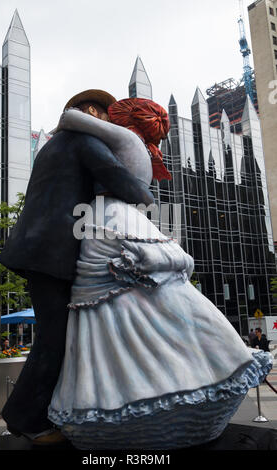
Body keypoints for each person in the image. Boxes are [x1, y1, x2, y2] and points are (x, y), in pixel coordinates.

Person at [47, 98, 273, 450]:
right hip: (115, 220)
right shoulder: (133, 145)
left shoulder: (124, 140)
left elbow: (69, 118)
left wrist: (74, 123)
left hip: (111, 218)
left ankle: (128, 401)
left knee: (118, 310)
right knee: (147, 305)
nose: (104, 116)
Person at [0, 89, 155, 445]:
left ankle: (53, 412)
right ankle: (26, 417)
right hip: (51, 253)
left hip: (42, 250)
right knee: (55, 339)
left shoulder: (53, 146)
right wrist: (146, 197)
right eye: (105, 114)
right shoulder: (81, 139)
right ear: (88, 111)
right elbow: (113, 174)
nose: (109, 123)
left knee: (62, 336)